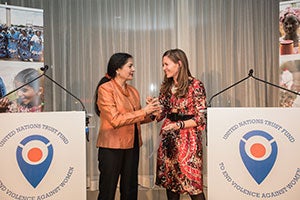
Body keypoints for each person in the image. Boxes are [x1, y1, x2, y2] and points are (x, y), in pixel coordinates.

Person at [94, 52, 161, 200]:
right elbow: (115, 119)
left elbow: (136, 119)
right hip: (112, 147)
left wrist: (152, 113)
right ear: (118, 69)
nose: (134, 69)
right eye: (130, 66)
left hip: (132, 145)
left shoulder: (133, 91)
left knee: (130, 190)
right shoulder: (105, 89)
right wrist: (144, 111)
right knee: (107, 191)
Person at [154, 49, 207, 200]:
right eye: (163, 65)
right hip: (168, 140)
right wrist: (153, 108)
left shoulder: (195, 85)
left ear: (179, 64)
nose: (164, 68)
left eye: (166, 64)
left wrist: (179, 125)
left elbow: (201, 118)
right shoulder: (166, 86)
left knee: (193, 185)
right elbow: (162, 112)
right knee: (171, 184)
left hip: (188, 140)